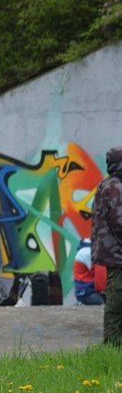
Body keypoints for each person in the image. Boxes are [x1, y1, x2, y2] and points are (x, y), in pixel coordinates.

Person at [92, 146, 122, 346]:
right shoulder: (114, 187)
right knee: (117, 297)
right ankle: (112, 343)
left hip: (113, 251)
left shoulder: (108, 184)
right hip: (116, 252)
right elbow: (119, 220)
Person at [73, 238, 106, 305]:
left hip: (84, 292)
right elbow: (100, 278)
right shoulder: (89, 252)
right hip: (88, 292)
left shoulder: (84, 251)